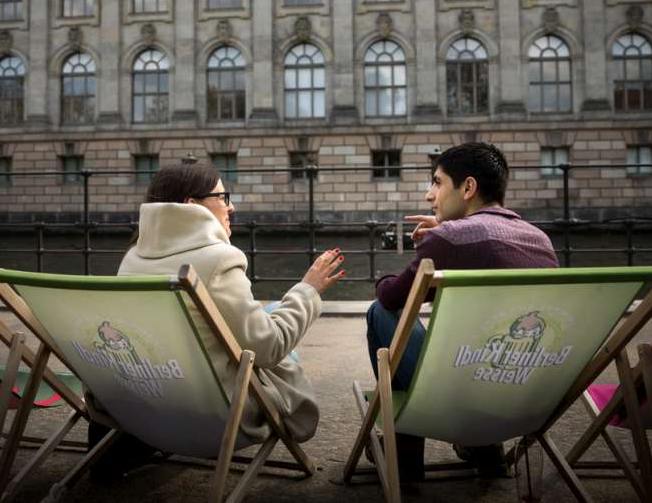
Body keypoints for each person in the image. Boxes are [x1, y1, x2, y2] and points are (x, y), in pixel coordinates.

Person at [89, 162, 343, 479]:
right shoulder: (219, 259)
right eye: (223, 196)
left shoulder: (132, 258)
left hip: (150, 399)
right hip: (215, 415)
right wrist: (308, 289)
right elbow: (269, 347)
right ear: (192, 206)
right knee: (279, 325)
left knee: (271, 310)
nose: (231, 205)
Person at [367, 142, 558, 481]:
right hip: (521, 391)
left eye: (437, 182)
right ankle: (485, 447)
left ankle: (405, 454)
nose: (430, 195)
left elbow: (395, 297)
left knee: (380, 312)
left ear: (468, 187)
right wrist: (442, 234)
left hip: (454, 390)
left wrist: (435, 240)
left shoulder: (452, 238)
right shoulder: (540, 240)